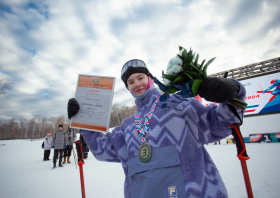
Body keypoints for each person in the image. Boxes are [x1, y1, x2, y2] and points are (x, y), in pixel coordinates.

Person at [67, 59, 246, 198]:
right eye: (130, 82)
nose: (136, 84)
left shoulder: (179, 104)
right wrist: (84, 120)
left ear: (151, 79)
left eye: (140, 78)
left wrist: (234, 90)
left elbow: (219, 124)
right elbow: (103, 150)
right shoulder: (128, 125)